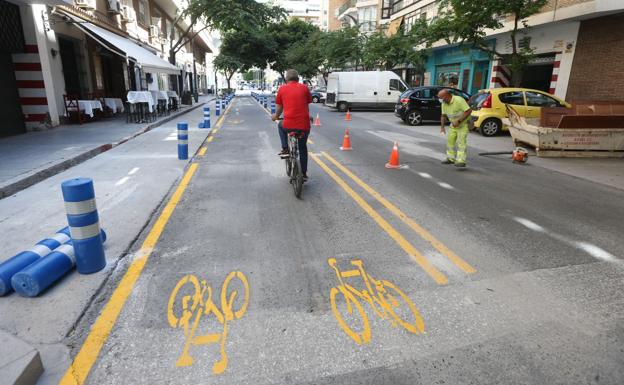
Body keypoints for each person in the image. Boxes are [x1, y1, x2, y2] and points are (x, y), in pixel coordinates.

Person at [272, 69, 312, 181]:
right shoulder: (305, 88)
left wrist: (275, 116)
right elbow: (306, 105)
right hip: (304, 125)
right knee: (303, 147)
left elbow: (280, 108)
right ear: (298, 79)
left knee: (280, 125)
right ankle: (303, 173)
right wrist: (308, 116)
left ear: (286, 79)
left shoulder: (282, 88)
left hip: (288, 124)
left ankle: (285, 148)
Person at [438, 89, 472, 168]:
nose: (439, 99)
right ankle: (450, 158)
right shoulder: (444, 103)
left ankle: (461, 160)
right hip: (453, 126)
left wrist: (459, 121)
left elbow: (469, 111)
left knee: (461, 143)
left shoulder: (459, 100)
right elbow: (443, 116)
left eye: (440, 97)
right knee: (450, 142)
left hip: (463, 125)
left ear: (446, 96)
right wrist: (442, 127)